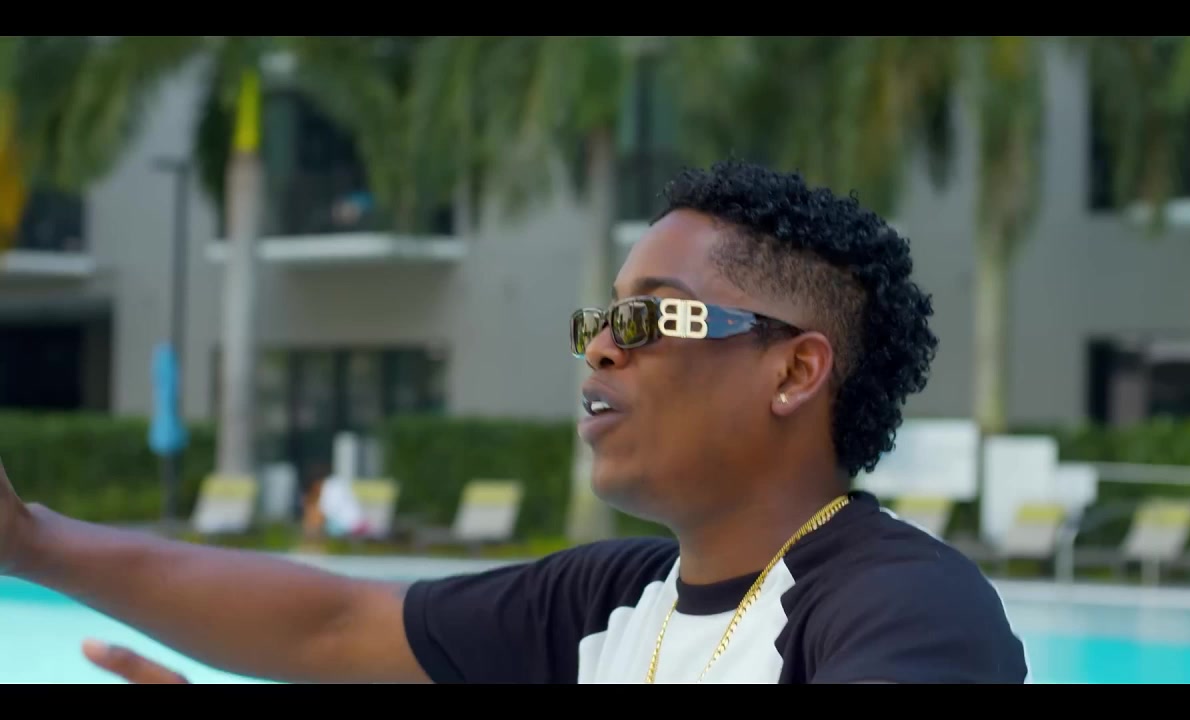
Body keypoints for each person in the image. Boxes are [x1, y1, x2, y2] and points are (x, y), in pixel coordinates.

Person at [0, 160, 1029, 684]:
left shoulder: (905, 610)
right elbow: (333, 623)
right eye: (601, 319)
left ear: (794, 371)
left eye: (649, 316)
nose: (601, 347)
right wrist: (28, 542)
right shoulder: (608, 601)